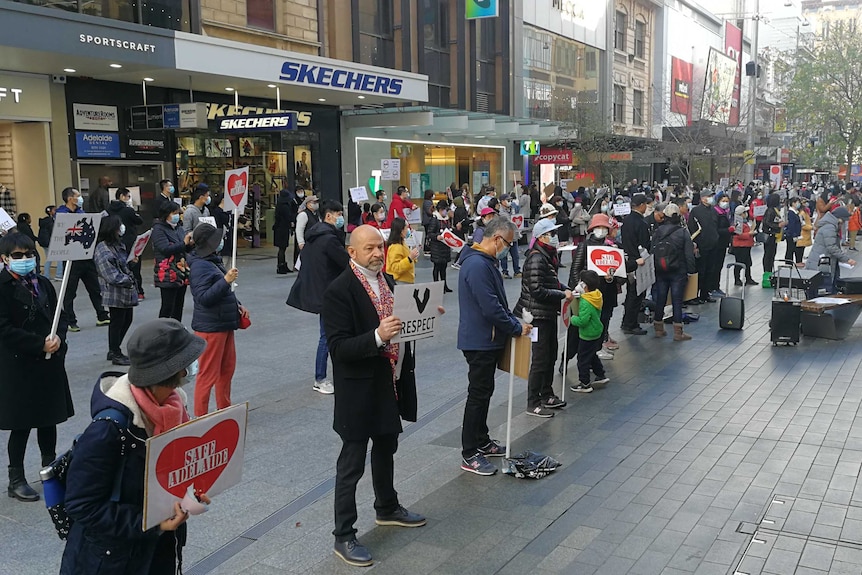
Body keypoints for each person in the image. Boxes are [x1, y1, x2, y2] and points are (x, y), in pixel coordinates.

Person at [59, 319, 210, 574]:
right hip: (111, 560)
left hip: (157, 550)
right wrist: (151, 523)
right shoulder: (108, 429)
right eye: (189, 361)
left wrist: (189, 497)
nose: (194, 366)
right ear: (176, 371)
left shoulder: (173, 408)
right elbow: (80, 504)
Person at [320, 225, 426, 567]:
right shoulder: (340, 291)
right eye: (369, 249)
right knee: (351, 462)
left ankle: (387, 506)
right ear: (352, 252)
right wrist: (377, 337)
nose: (378, 253)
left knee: (387, 446)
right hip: (359, 389)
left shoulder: (386, 281)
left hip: (388, 382)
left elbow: (399, 321)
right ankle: (344, 534)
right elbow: (338, 348)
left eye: (380, 247)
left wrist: (422, 318)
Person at [0, 232, 72, 502]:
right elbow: (3, 329)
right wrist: (37, 343)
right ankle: (15, 478)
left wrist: (58, 339)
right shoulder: (2, 287)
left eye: (29, 254)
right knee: (21, 424)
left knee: (48, 419)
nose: (25, 259)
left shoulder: (43, 283)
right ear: (5, 259)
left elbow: (59, 316)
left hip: (48, 363)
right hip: (18, 365)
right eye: (17, 256)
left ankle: (50, 469)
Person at [457, 217, 531, 475]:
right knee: (477, 395)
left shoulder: (485, 262)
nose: (508, 249)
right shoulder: (477, 265)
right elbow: (490, 307)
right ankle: (469, 452)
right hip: (479, 341)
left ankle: (481, 440)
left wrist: (513, 322)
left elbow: (497, 302)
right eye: (509, 244)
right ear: (497, 239)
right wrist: (514, 327)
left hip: (486, 338)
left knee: (484, 391)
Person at [287, 200, 349, 395]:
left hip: (320, 292)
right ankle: (320, 378)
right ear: (328, 216)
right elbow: (346, 263)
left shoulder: (315, 236)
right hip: (330, 294)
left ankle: (328, 375)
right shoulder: (329, 239)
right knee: (327, 337)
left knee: (329, 335)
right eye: (338, 214)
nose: (341, 218)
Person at [514, 218, 573, 417]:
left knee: (550, 355)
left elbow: (553, 283)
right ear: (542, 237)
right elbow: (537, 290)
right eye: (552, 234)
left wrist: (567, 290)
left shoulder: (547, 257)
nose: (555, 238)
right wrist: (562, 294)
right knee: (540, 359)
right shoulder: (537, 258)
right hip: (536, 315)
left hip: (547, 313)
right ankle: (533, 402)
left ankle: (547, 394)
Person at [188, 224, 247, 416]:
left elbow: (223, 292)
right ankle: (200, 416)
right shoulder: (200, 265)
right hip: (211, 327)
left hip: (223, 323)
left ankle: (224, 409)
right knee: (208, 375)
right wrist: (225, 281)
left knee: (226, 369)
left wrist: (237, 304)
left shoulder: (211, 261)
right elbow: (203, 298)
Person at [565, 214, 625, 370]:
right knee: (576, 332)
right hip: (586, 297)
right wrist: (582, 287)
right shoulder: (584, 246)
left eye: (604, 228)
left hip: (605, 297)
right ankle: (567, 359)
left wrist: (611, 278)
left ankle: (593, 358)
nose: (601, 231)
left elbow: (620, 276)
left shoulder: (613, 248)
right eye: (598, 227)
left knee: (600, 328)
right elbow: (575, 270)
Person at [57, 187, 110, 331]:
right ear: (70, 198)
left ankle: (102, 315)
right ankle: (70, 320)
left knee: (95, 288)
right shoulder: (61, 214)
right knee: (70, 293)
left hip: (86, 257)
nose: (80, 199)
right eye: (78, 196)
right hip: (70, 260)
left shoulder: (82, 213)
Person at [94, 215, 138, 366]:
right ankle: (115, 351)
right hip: (114, 292)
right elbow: (111, 275)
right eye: (119, 226)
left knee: (127, 319)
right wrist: (129, 280)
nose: (122, 229)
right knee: (117, 322)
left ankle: (115, 348)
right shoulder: (103, 249)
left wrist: (131, 264)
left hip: (125, 291)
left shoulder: (118, 245)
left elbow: (122, 266)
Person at [650, 204, 696, 341]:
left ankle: (658, 328)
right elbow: (689, 255)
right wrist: (691, 271)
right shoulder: (683, 232)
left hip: (660, 269)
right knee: (677, 300)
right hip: (678, 270)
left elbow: (652, 250)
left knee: (661, 299)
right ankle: (678, 332)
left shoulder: (657, 232)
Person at [568, 270, 610, 393]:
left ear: (585, 286)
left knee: (583, 358)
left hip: (587, 334)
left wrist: (572, 319)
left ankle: (585, 383)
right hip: (596, 331)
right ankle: (600, 374)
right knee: (591, 354)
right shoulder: (596, 295)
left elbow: (583, 321)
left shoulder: (586, 302)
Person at [152, 201, 192, 322]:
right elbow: (165, 249)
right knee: (168, 305)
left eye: (178, 213)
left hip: (181, 269)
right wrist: (184, 243)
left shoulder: (179, 228)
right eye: (174, 213)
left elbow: (184, 247)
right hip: (167, 271)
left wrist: (189, 244)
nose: (176, 216)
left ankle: (176, 329)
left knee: (179, 305)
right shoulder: (158, 229)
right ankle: (162, 330)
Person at [805, 203, 856, 292]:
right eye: (843, 221)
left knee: (828, 285)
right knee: (824, 287)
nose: (843, 223)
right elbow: (831, 247)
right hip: (821, 262)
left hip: (824, 260)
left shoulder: (830, 225)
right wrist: (846, 259)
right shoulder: (830, 227)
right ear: (839, 219)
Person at [620, 194, 651, 334]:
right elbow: (645, 244)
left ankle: (626, 321)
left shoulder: (626, 220)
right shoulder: (641, 223)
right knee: (637, 294)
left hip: (628, 261)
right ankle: (631, 324)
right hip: (639, 261)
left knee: (631, 293)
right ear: (641, 205)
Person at [108, 188, 144, 298]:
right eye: (128, 197)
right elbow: (139, 221)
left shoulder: (109, 210)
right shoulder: (128, 210)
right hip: (130, 241)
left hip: (115, 242)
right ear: (122, 196)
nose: (129, 199)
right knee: (135, 267)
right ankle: (138, 291)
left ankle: (123, 290)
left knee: (120, 267)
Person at [688, 190, 720, 304]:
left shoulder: (713, 210)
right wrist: (695, 244)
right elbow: (692, 228)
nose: (711, 198)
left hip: (713, 245)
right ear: (702, 198)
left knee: (710, 270)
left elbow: (716, 225)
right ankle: (694, 295)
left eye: (711, 196)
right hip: (701, 245)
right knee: (700, 271)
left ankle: (705, 294)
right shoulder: (696, 211)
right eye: (708, 196)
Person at [427, 199, 453, 293]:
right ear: (440, 209)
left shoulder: (447, 219)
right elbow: (429, 233)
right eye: (444, 209)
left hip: (445, 247)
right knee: (437, 267)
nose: (445, 211)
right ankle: (436, 285)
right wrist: (436, 236)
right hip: (437, 247)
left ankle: (444, 285)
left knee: (444, 268)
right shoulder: (435, 219)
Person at [385, 217, 419, 283]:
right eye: (406, 228)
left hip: (406, 280)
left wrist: (413, 257)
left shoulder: (402, 243)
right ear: (401, 230)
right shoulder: (395, 246)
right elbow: (395, 267)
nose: (408, 230)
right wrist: (409, 258)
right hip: (400, 281)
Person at [273, 187, 298, 274]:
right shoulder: (285, 206)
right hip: (283, 229)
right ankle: (281, 266)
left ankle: (282, 265)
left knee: (282, 248)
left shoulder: (280, 205)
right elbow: (289, 217)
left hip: (279, 228)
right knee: (282, 248)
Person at [731, 205, 757, 286]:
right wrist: (749, 234)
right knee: (739, 263)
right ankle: (737, 279)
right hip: (740, 246)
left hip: (746, 245)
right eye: (744, 212)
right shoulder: (737, 223)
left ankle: (748, 278)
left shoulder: (744, 222)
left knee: (748, 263)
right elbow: (739, 235)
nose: (746, 213)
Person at [498, 195, 522, 279]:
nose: (509, 201)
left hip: (513, 235)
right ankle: (505, 271)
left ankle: (517, 271)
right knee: (504, 255)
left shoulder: (512, 208)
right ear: (502, 201)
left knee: (515, 255)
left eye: (510, 200)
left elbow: (517, 218)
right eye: (507, 200)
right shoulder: (500, 212)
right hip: (505, 236)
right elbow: (509, 221)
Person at [38, 205, 63, 281]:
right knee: (60, 258)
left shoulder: (44, 221)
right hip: (50, 242)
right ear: (50, 211)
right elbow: (54, 232)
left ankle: (46, 275)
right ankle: (58, 275)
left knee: (49, 259)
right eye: (55, 210)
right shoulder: (50, 221)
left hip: (45, 243)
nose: (56, 211)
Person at [762, 193, 783, 276]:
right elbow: (767, 222)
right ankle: (767, 273)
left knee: (771, 254)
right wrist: (778, 225)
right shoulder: (770, 211)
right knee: (768, 255)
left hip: (774, 235)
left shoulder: (774, 209)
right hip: (770, 235)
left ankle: (770, 271)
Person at [294, 193, 320, 261]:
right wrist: (301, 242)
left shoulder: (316, 214)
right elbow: (299, 229)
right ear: (308, 204)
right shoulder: (303, 214)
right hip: (307, 243)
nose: (316, 204)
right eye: (314, 202)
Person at [785, 196, 805, 263]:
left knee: (793, 250)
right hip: (791, 236)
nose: (799, 204)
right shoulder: (791, 213)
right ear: (793, 203)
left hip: (796, 235)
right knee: (790, 251)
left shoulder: (795, 212)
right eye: (797, 202)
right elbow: (791, 225)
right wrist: (794, 235)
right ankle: (788, 264)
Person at [421, 189, 435, 255]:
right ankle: (427, 249)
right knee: (428, 235)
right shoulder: (427, 202)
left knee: (428, 234)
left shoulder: (428, 201)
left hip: (427, 220)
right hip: (428, 221)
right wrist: (434, 213)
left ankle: (428, 248)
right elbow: (429, 211)